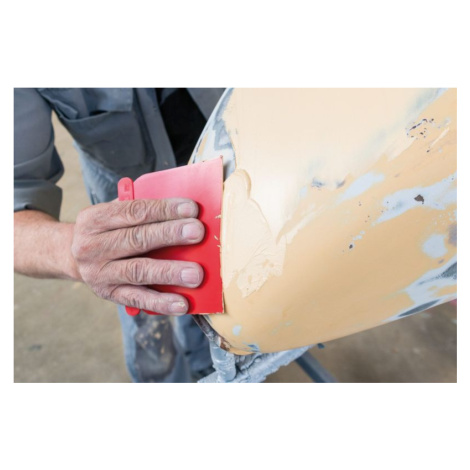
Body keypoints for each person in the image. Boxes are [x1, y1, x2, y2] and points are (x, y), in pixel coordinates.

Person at [14, 88, 225, 382]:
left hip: (230, 173)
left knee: (215, 301)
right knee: (151, 336)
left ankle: (209, 364)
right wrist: (74, 251)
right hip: (125, 209)